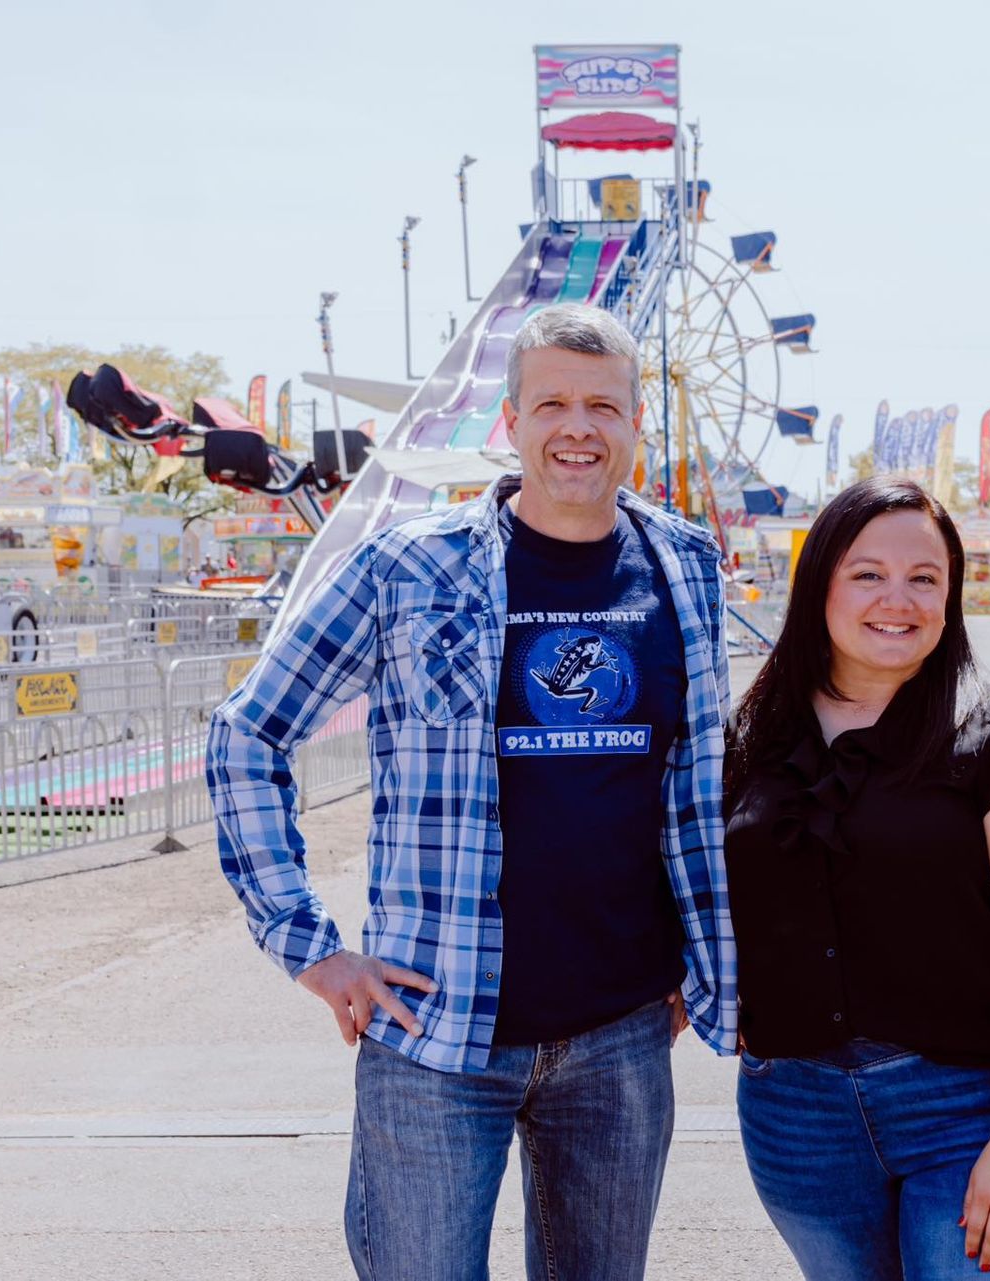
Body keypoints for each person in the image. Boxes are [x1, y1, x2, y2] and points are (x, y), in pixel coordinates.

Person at [207, 303, 736, 1281]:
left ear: (634, 425)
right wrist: (309, 948)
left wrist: (701, 958)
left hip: (620, 1035)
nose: (578, 427)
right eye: (553, 404)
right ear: (512, 419)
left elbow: (700, 778)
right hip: (434, 1031)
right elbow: (247, 734)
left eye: (603, 406)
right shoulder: (407, 566)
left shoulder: (684, 566)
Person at [725, 477, 990, 1278]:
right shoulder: (749, 739)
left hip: (969, 1109)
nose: (899, 598)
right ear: (819, 583)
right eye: (867, 574)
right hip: (795, 1115)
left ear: (950, 596)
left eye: (924, 577)